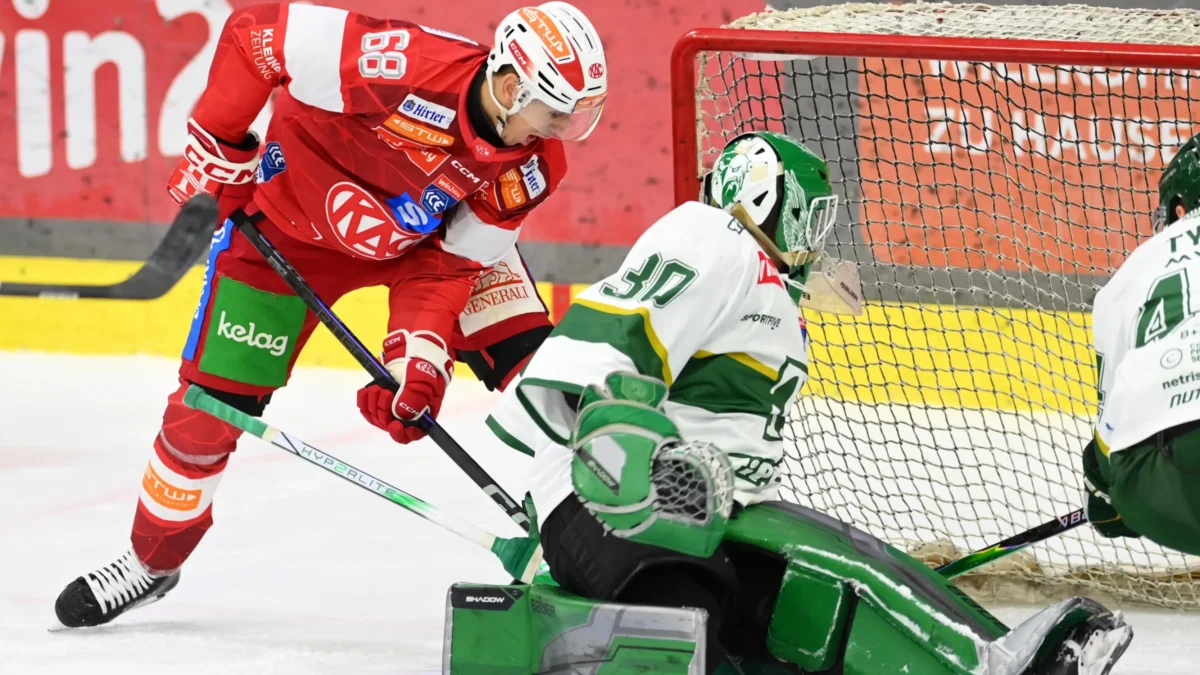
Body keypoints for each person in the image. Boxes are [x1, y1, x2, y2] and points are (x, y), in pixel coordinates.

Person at [481, 131, 1131, 675]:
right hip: (620, 500)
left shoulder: (761, 283)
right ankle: (991, 659)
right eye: (808, 214)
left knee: (821, 593)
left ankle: (987, 656)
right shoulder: (712, 236)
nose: (815, 235)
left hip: (708, 506)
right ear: (760, 195)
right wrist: (596, 462)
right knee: (693, 622)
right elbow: (615, 332)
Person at [53, 1, 606, 629]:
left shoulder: (533, 166)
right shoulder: (397, 64)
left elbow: (451, 267)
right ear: (510, 86)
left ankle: (609, 536)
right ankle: (150, 561)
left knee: (543, 376)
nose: (563, 129)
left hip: (428, 248)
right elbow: (255, 36)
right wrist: (223, 140)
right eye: (557, 111)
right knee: (204, 414)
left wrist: (417, 361)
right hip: (288, 235)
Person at [1084, 134, 1200, 557]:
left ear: (1182, 209)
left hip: (1158, 484)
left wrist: (1102, 494)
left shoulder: (1140, 264)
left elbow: (1109, 422)